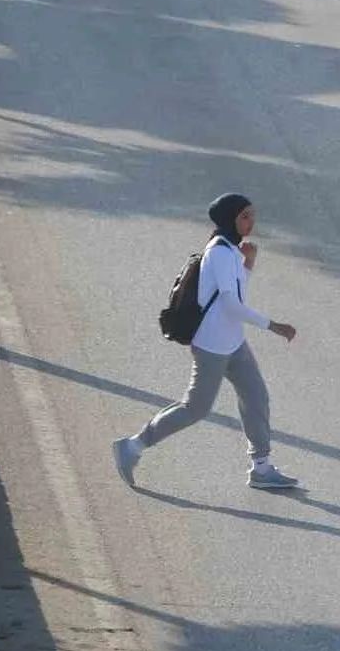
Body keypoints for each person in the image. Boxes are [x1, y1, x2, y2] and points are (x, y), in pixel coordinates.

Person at [112, 193, 300, 490]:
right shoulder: (220, 253)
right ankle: (133, 446)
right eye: (245, 216)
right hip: (212, 345)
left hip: (233, 342)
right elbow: (230, 306)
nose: (251, 222)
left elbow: (235, 295)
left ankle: (261, 468)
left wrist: (248, 265)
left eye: (252, 215)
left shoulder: (231, 250)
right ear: (230, 219)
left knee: (256, 396)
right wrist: (273, 326)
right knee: (195, 409)